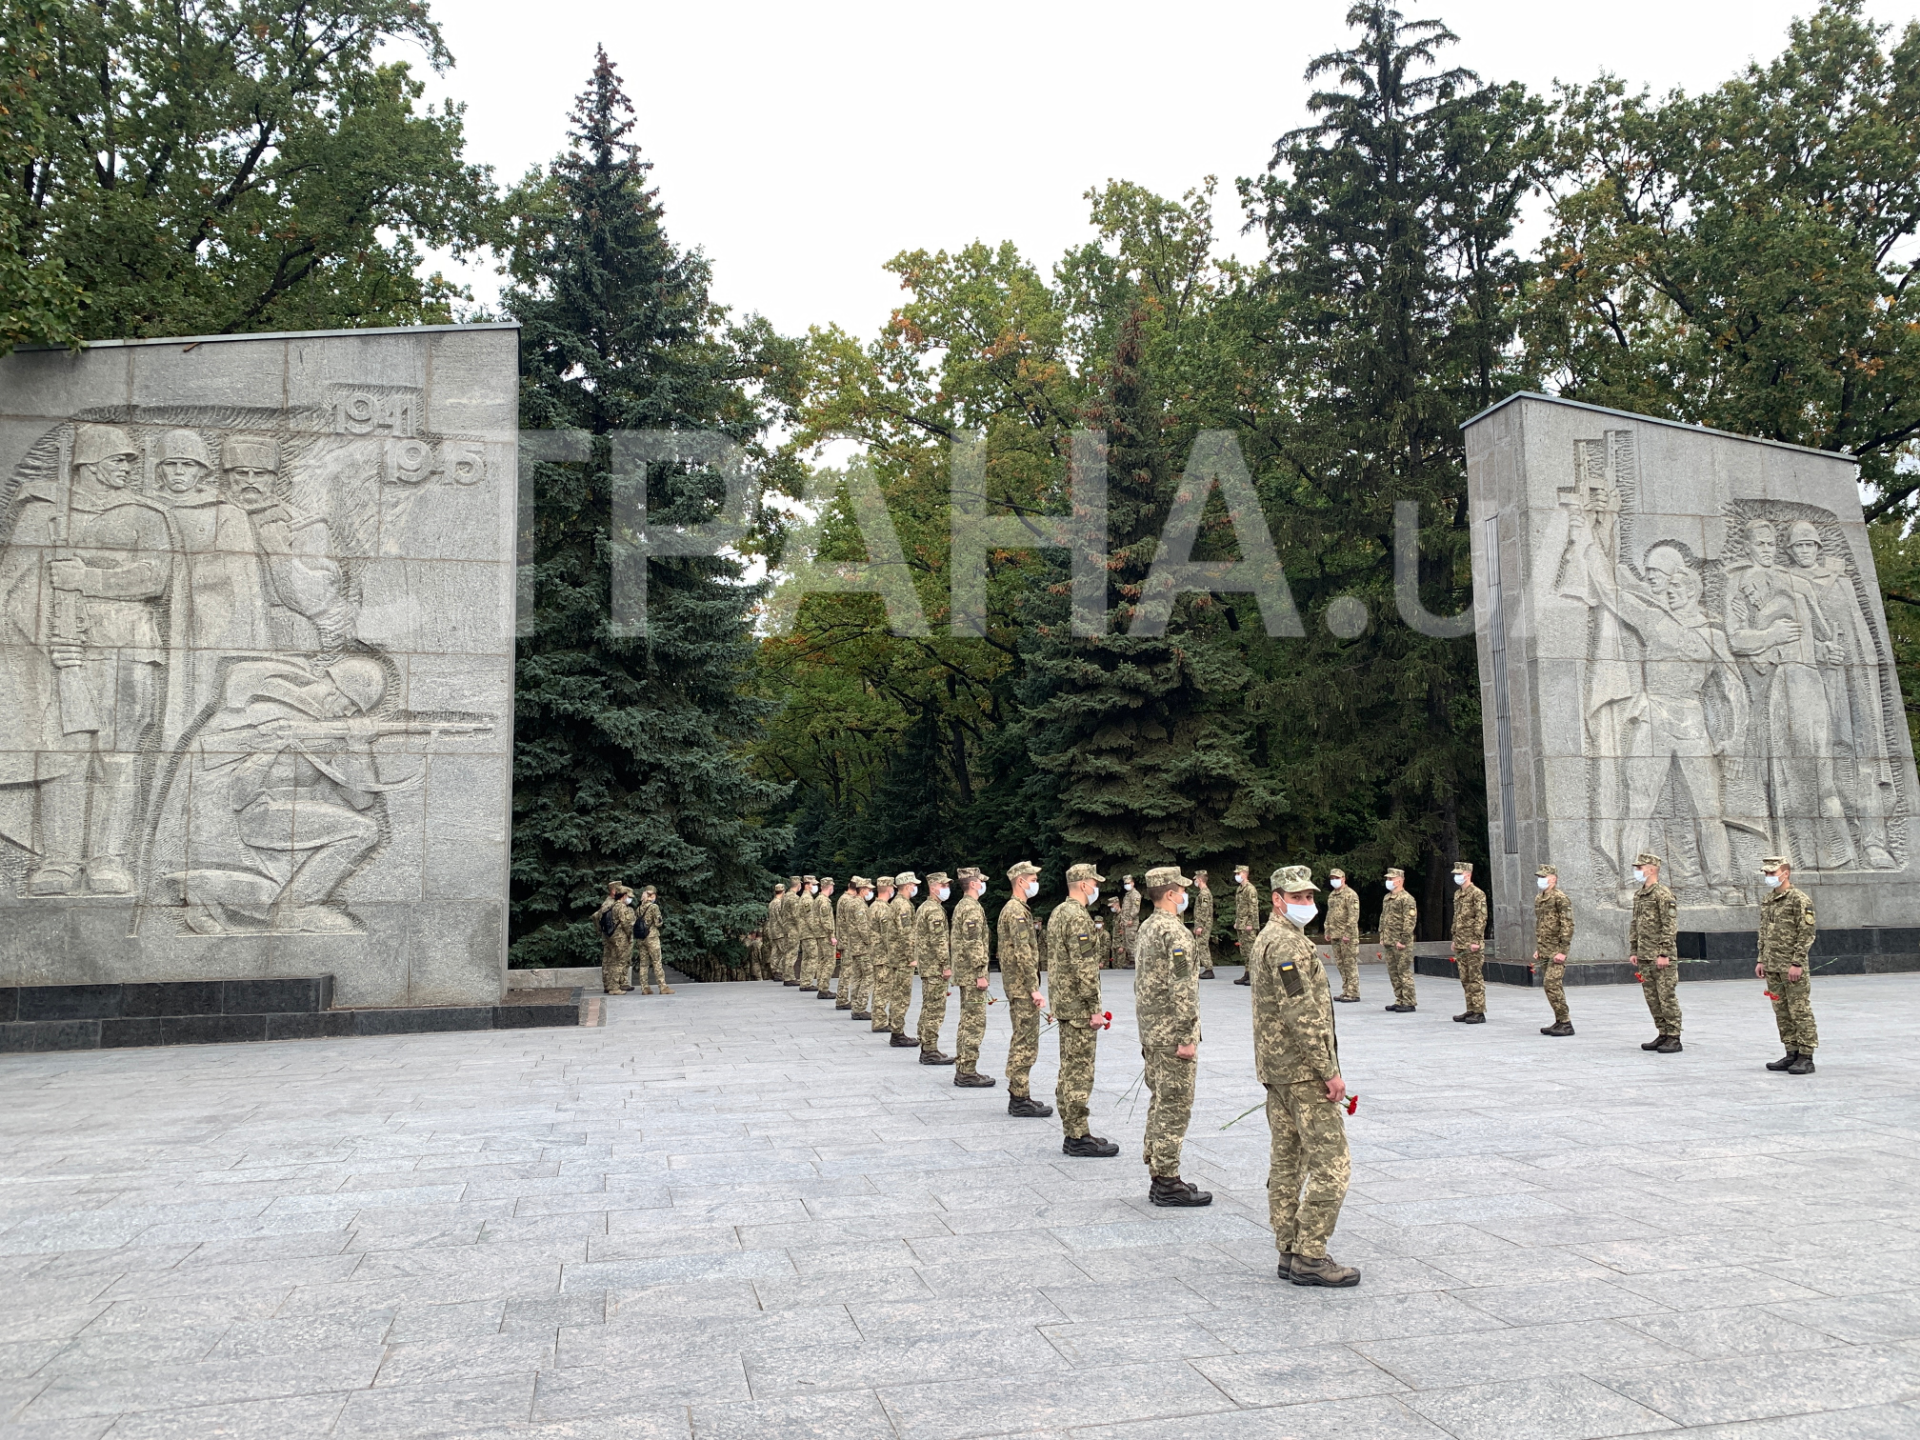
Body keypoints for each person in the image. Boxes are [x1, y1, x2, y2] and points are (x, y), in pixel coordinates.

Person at [1252, 865, 1358, 1287]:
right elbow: (1302, 1013)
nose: (1307, 904)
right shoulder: (1285, 944)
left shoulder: (1275, 937)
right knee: (1333, 1164)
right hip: (1301, 1072)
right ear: (1278, 899)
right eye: (1298, 898)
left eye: (1310, 897)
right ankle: (1311, 1254)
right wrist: (1328, 1071)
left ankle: (1289, 1250)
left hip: (1279, 1071)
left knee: (1287, 1161)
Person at [1134, 865, 1210, 1206]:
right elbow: (1182, 988)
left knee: (1159, 1100)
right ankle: (1167, 1179)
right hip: (1170, 1034)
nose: (1184, 895)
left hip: (1152, 1031)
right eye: (1181, 889)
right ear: (1169, 894)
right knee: (1174, 1105)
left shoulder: (1148, 927)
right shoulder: (1175, 933)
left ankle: (1158, 1172)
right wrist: (1186, 1035)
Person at [1049, 863, 1118, 1157]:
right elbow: (1085, 967)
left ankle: (1075, 1130)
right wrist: (1094, 1008)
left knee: (1069, 1068)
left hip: (1065, 1003)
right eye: (1093, 882)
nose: (1096, 888)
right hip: (1078, 1006)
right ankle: (1077, 1135)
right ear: (1082, 884)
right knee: (1079, 1071)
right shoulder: (1078, 918)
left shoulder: (1058, 913)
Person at [998, 861, 1053, 1117]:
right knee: (1025, 1041)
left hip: (1018, 986)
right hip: (1022, 987)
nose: (1035, 883)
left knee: (1024, 1039)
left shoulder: (1016, 909)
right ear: (1020, 881)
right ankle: (1019, 1098)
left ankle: (1020, 1094)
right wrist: (1034, 988)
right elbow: (1023, 952)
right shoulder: (1016, 911)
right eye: (1032, 878)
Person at [1757, 856, 1819, 1074]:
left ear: (1785, 873)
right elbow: (1764, 931)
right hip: (1772, 965)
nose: (1769, 877)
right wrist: (1761, 959)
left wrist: (1797, 962)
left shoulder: (1799, 900)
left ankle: (1806, 1055)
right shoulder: (1768, 899)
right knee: (1781, 1011)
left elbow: (1807, 933)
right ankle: (1791, 1051)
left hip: (1791, 966)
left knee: (1799, 1009)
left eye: (1772, 873)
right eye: (1766, 874)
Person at [1628, 852, 1682, 1053]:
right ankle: (1663, 1033)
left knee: (1666, 996)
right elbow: (1635, 924)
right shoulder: (1640, 894)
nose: (1637, 872)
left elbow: (1669, 925)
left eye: (1640, 868)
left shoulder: (1663, 894)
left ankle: (1674, 1036)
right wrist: (1634, 949)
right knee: (1652, 996)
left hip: (1660, 956)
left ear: (1651, 869)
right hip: (1645, 955)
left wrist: (1664, 953)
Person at [950, 867, 996, 1087]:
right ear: (974, 883)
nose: (983, 884)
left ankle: (963, 1067)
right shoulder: (971, 908)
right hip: (972, 974)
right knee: (974, 1023)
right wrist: (980, 972)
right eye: (981, 881)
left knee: (966, 1020)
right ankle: (967, 1070)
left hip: (965, 973)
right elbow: (973, 941)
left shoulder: (963, 905)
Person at [914, 871, 955, 1064]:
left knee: (928, 1006)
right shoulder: (934, 910)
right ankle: (930, 1049)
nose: (946, 889)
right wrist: (945, 966)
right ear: (933, 887)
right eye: (943, 885)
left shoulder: (925, 907)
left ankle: (925, 1043)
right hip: (934, 968)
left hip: (927, 966)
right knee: (935, 1009)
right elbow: (938, 941)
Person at [1533, 865, 1574, 1036]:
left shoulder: (1560, 898)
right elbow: (1540, 925)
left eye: (1545, 876)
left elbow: (1567, 924)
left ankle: (1566, 1022)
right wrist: (1538, 948)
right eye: (1540, 876)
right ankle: (1559, 1020)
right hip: (1545, 949)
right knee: (1551, 986)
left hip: (1557, 950)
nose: (1541, 879)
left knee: (1551, 983)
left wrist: (1563, 951)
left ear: (1554, 879)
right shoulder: (1540, 898)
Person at [1450, 862, 1488, 1023]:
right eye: (1456, 874)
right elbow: (1457, 918)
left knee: (1474, 977)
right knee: (1465, 978)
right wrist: (1454, 938)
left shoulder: (1477, 894)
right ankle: (1470, 1008)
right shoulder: (1458, 894)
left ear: (1468, 874)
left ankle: (1479, 1011)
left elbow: (1481, 918)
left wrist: (1476, 940)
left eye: (1460, 874)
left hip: (1472, 943)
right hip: (1460, 942)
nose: (1457, 877)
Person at [886, 873, 921, 1046]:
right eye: (913, 885)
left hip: (896, 956)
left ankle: (896, 1029)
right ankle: (897, 1033)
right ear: (907, 885)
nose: (915, 887)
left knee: (897, 993)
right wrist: (911, 957)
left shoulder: (897, 903)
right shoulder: (903, 905)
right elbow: (906, 934)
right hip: (902, 958)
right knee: (902, 995)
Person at [1378, 868, 1418, 1011]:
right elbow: (1383, 918)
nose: (1388, 882)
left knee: (1403, 972)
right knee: (1393, 972)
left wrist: (1404, 940)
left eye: (1391, 879)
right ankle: (1399, 999)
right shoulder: (1387, 898)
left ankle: (1409, 1001)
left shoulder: (1406, 899)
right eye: (1387, 879)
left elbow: (1410, 921)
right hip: (1389, 941)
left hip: (1400, 942)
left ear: (1399, 881)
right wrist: (1382, 935)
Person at [836, 875, 872, 1015]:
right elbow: (861, 926)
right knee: (854, 972)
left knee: (855, 974)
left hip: (850, 941)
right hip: (855, 943)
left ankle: (852, 1002)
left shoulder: (849, 901)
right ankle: (847, 1000)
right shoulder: (853, 902)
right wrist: (870, 942)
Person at [1323, 868, 1360, 1003]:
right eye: (1332, 878)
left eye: (1337, 878)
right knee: (1340, 964)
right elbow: (1329, 914)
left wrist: (1347, 933)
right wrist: (1327, 930)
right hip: (1335, 934)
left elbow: (1353, 916)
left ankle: (1353, 992)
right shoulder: (1332, 895)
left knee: (1349, 963)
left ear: (1343, 879)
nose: (1334, 880)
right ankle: (1346, 990)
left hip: (1347, 936)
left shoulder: (1350, 895)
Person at [596, 882, 636, 995]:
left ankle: (613, 985)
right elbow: (625, 924)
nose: (629, 899)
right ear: (623, 895)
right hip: (619, 938)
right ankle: (614, 987)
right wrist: (629, 936)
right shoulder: (619, 906)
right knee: (618, 962)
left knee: (615, 961)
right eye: (628, 896)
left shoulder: (613, 905)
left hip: (613, 937)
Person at [634, 885, 670, 993]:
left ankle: (645, 987)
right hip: (652, 937)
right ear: (652, 895)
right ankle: (662, 987)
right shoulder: (654, 907)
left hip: (641, 938)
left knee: (643, 964)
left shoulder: (639, 908)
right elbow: (658, 923)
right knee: (657, 961)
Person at [809, 877, 839, 997]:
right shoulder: (824, 901)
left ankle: (821, 986)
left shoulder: (817, 900)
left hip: (819, 934)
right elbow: (826, 920)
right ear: (830, 887)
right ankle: (824, 988)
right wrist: (831, 935)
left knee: (822, 961)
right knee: (830, 961)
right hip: (825, 935)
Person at [1233, 864, 1260, 984]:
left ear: (1245, 874)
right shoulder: (1240, 889)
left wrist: (1252, 924)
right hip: (1241, 924)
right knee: (1244, 951)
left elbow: (1253, 908)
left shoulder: (1250, 889)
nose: (1236, 876)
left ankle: (1254, 975)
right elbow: (1239, 908)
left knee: (1251, 950)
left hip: (1248, 925)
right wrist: (1237, 922)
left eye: (1238, 874)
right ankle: (1247, 973)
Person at [796, 875, 821, 990]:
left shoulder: (805, 898)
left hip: (805, 932)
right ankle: (807, 982)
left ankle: (804, 981)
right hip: (808, 933)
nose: (815, 887)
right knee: (812, 957)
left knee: (806, 957)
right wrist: (817, 932)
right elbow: (810, 918)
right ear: (807, 885)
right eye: (813, 884)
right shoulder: (807, 899)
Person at [1191, 870, 1217, 980]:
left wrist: (1200, 926)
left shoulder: (1204, 894)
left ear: (1200, 880)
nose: (1195, 881)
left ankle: (1208, 969)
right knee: (1201, 945)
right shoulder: (1203, 893)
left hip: (1204, 924)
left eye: (1196, 879)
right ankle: (1207, 968)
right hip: (1203, 923)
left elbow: (1204, 910)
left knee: (1202, 945)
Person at [780, 876, 805, 984]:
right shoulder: (794, 898)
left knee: (787, 951)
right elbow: (796, 916)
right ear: (799, 885)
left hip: (786, 927)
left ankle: (786, 975)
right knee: (792, 952)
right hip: (792, 928)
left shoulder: (785, 896)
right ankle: (789, 977)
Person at [764, 883, 788, 982]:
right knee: (786, 951)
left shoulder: (772, 903)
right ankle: (779, 971)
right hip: (780, 932)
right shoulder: (779, 903)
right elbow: (780, 918)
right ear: (783, 891)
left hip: (773, 931)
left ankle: (774, 970)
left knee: (775, 952)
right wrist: (786, 928)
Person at [1117, 875, 1141, 968]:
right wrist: (1122, 920)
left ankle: (1135, 961)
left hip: (1132, 922)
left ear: (1133, 883)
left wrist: (1131, 918)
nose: (1127, 885)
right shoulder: (1127, 895)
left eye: (1128, 883)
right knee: (1127, 941)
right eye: (1125, 883)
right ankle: (1131, 960)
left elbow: (1136, 908)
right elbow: (1125, 909)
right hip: (1126, 922)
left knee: (1131, 940)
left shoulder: (1135, 894)